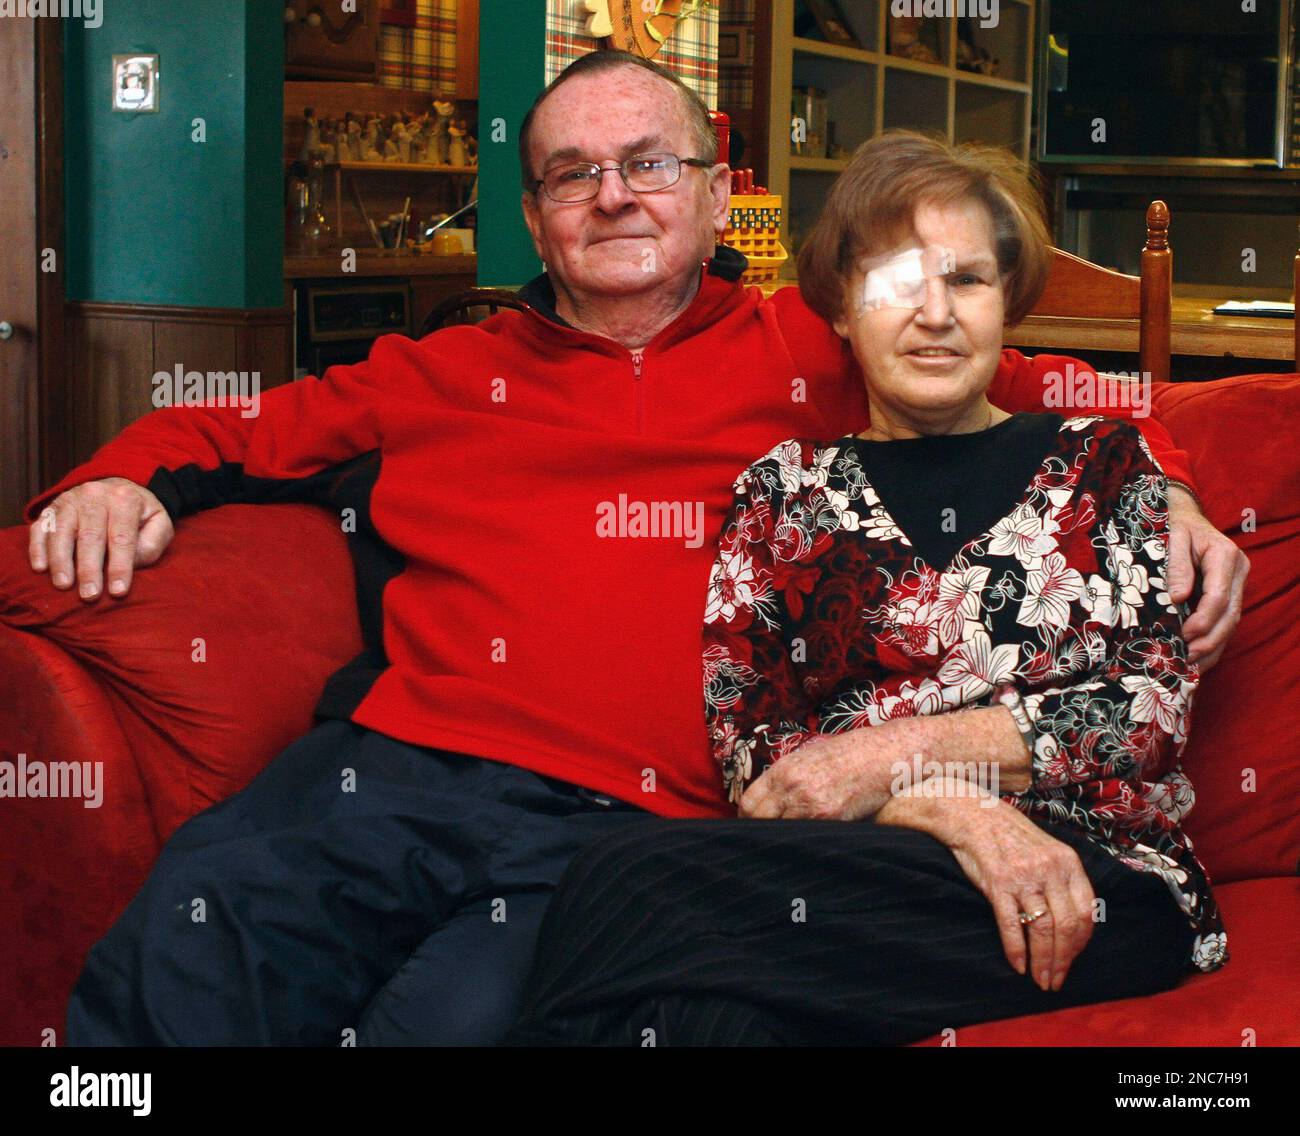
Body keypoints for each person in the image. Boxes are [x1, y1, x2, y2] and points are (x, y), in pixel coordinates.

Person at [22, 53, 1244, 1047]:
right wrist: (114, 474)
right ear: (535, 217)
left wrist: (1177, 498)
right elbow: (225, 429)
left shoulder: (817, 348)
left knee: (460, 1017)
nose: (613, 195)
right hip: (396, 769)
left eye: (649, 163)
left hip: (638, 821)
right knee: (200, 921)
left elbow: (1045, 405)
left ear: (718, 196)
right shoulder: (439, 369)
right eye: (572, 173)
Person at [503, 132, 1228, 1047]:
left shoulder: (1103, 462)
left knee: (625, 882)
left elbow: (1148, 711)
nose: (935, 314)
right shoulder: (784, 493)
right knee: (706, 1018)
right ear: (843, 310)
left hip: (1088, 882)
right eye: (895, 283)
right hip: (860, 871)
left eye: (966, 279)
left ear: (1007, 301)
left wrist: (887, 760)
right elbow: (755, 749)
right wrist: (946, 801)